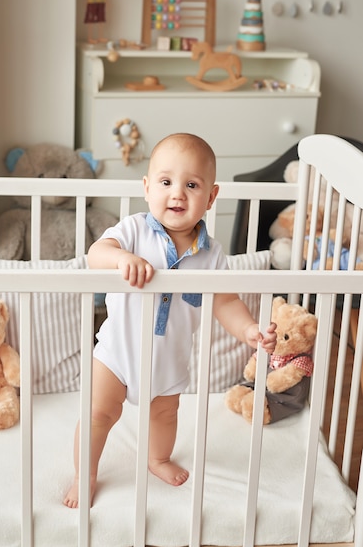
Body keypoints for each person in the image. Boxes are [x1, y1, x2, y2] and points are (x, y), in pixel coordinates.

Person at [63, 132, 277, 508]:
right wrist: (121, 260)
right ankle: (86, 474)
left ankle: (157, 458)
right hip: (116, 356)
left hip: (169, 361)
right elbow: (97, 253)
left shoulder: (211, 254)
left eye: (192, 185)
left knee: (165, 414)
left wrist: (248, 329)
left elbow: (225, 300)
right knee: (97, 413)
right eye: (166, 182)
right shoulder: (133, 231)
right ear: (147, 188)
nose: (177, 193)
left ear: (210, 197)